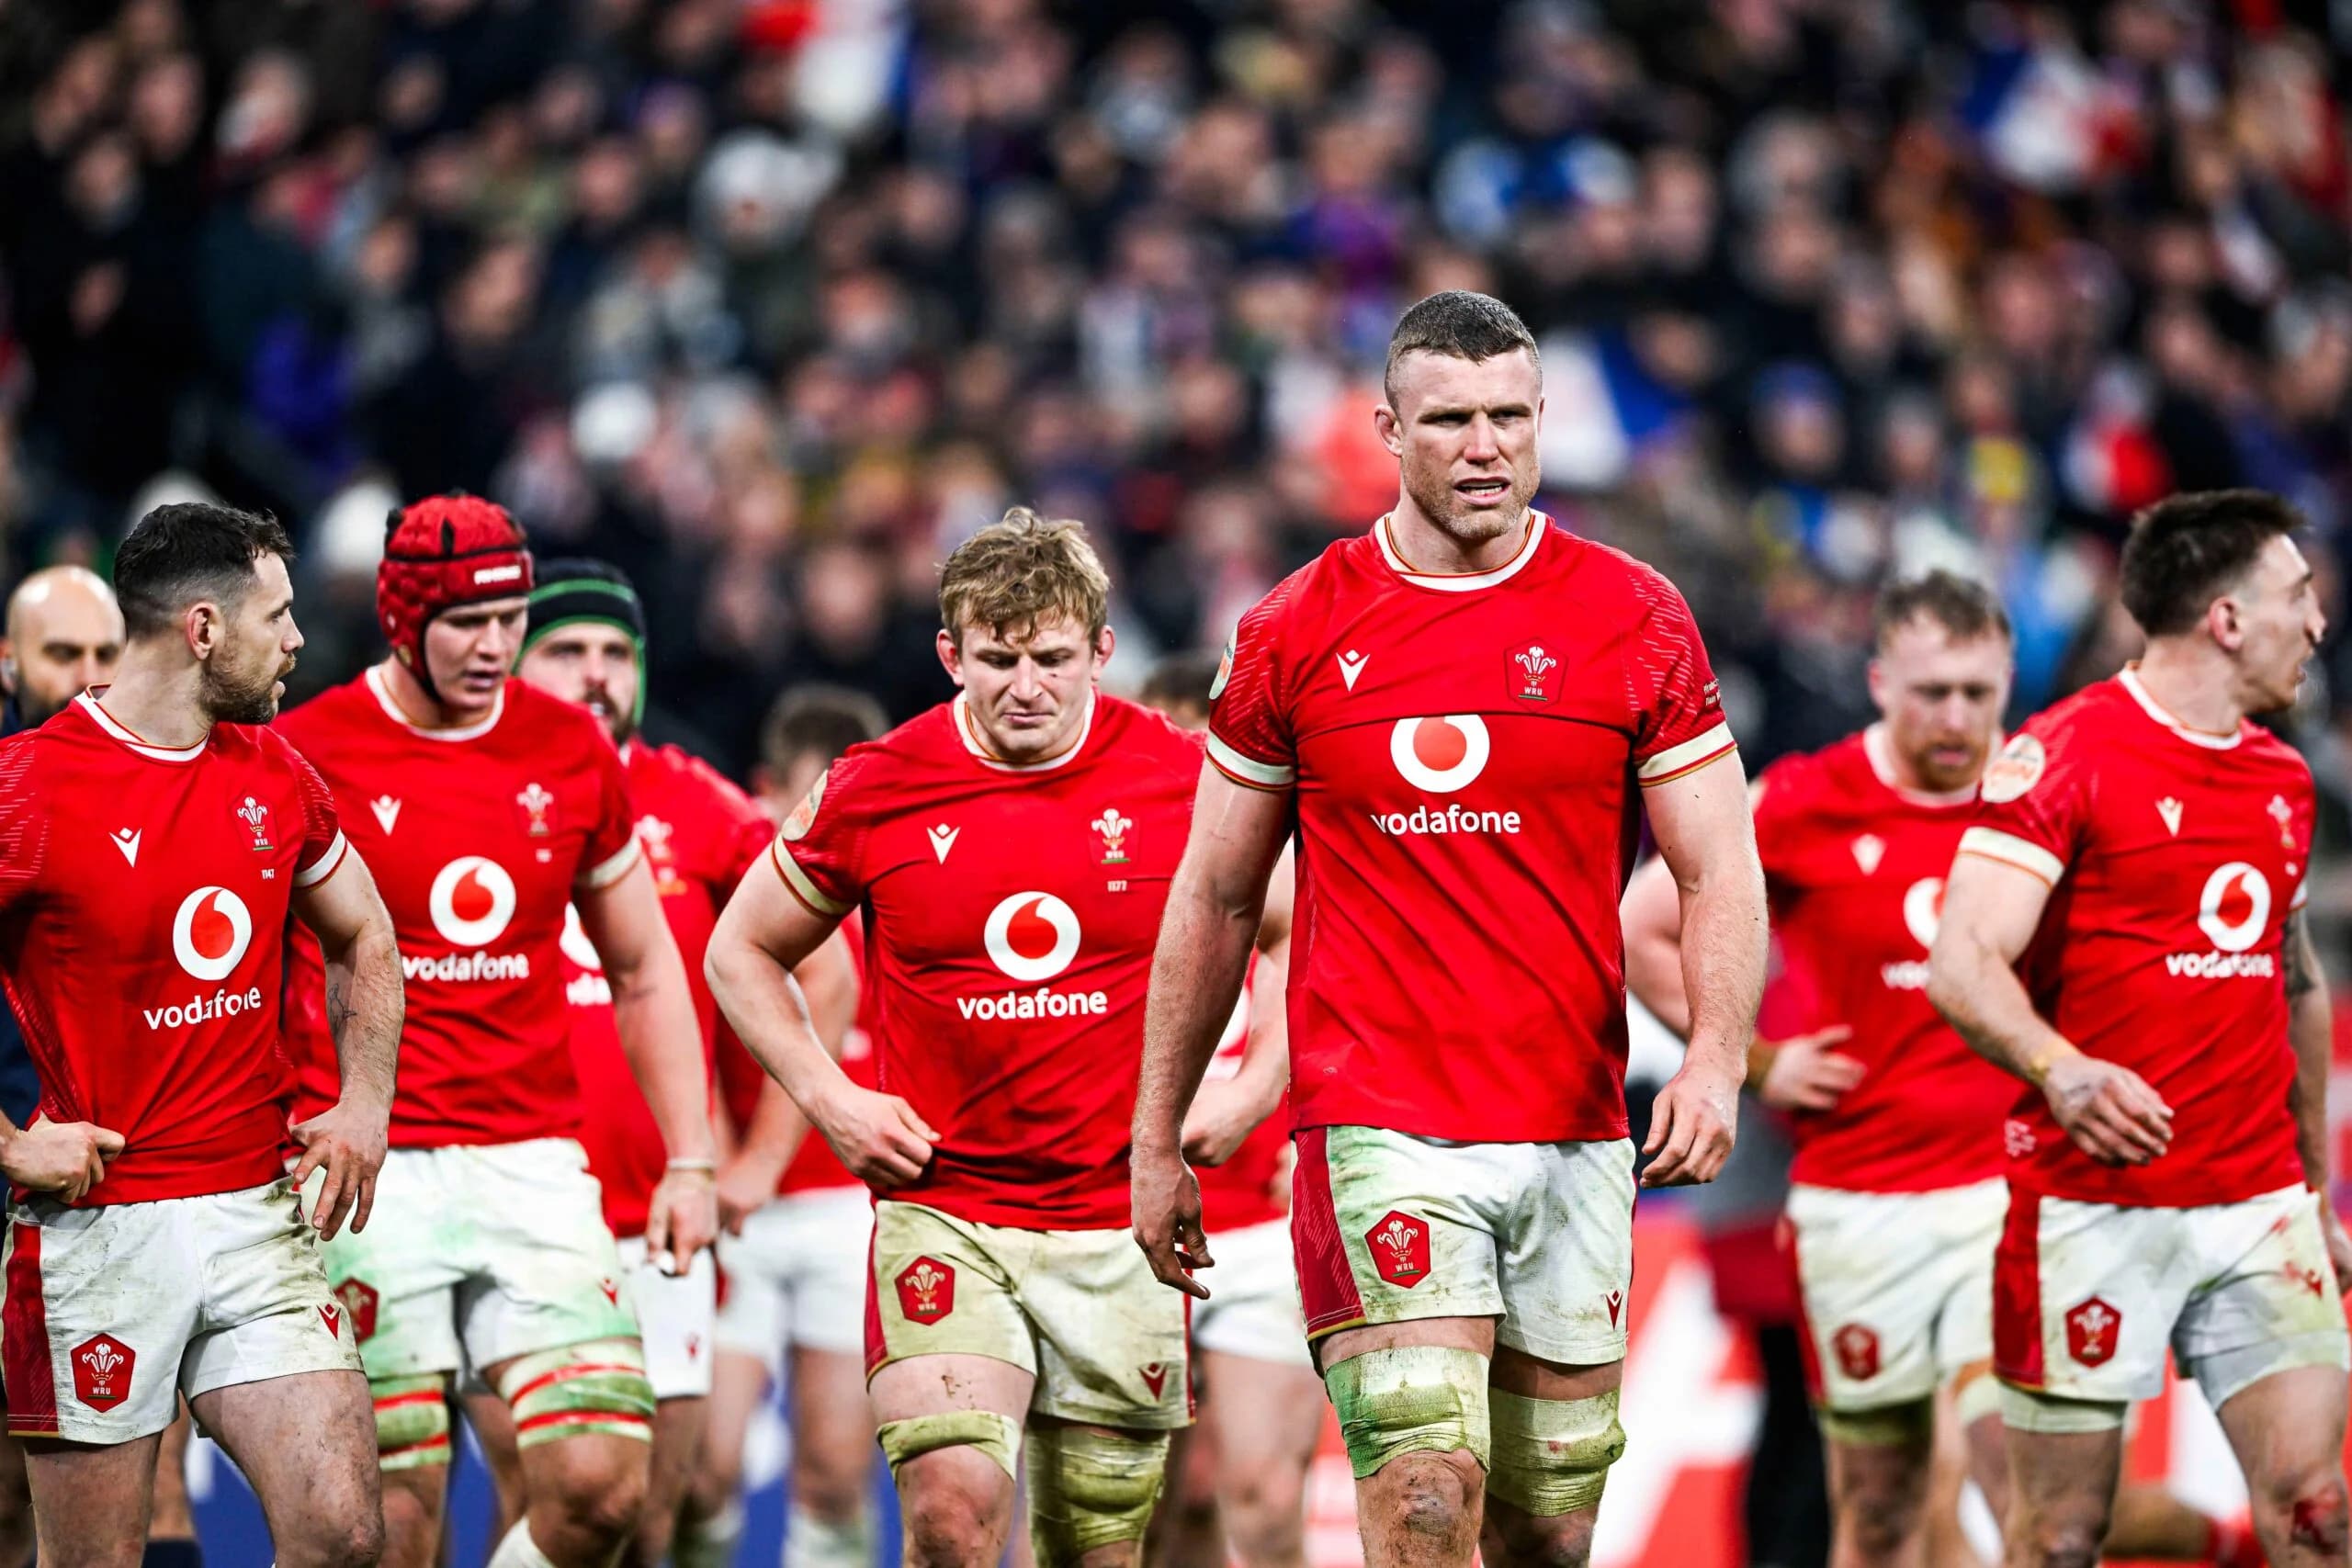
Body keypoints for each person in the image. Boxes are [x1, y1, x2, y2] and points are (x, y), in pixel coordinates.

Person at [1132, 289, 1769, 1568]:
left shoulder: (1634, 616)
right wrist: (1157, 1130)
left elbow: (1717, 863)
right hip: (1378, 1121)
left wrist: (1711, 1056)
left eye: (1510, 418)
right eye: (1451, 420)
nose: (1484, 446)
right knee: (1423, 1497)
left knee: (1551, 1525)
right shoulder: (1295, 628)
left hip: (1575, 1127)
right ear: (1388, 429)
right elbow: (1212, 895)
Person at [1623, 571, 2259, 1568]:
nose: (1956, 718)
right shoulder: (1804, 799)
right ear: (1881, 682)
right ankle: (2225, 1544)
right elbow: (1645, 924)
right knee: (1876, 1517)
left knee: (2029, 1500)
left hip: (2010, 1196)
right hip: (1857, 1206)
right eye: (1931, 693)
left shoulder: (2048, 793)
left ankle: (2229, 1542)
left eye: (1976, 692)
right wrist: (1752, 1061)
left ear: (2008, 681)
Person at [706, 509, 1204, 1568]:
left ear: (1103, 654)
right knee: (950, 1512)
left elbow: (1302, 926)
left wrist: (1236, 1100)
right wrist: (831, 1101)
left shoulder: (1181, 779)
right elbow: (737, 950)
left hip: (1116, 1220)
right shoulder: (877, 784)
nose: (1026, 685)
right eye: (998, 658)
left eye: (1054, 659)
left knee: (1097, 1549)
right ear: (950, 654)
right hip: (948, 1212)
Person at [276, 495, 719, 1568]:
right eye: (467, 623)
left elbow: (643, 965)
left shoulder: (569, 746)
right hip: (368, 1171)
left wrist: (692, 1158)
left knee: (606, 1488)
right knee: (392, 1520)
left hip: (531, 1162)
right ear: (400, 620)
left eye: (511, 618)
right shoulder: (306, 750)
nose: (495, 647)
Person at [1928, 489, 2352, 1568]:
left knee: (2318, 1512)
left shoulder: (2282, 781)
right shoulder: (2060, 755)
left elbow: (2294, 987)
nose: (2316, 623)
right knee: (2062, 1537)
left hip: (2256, 1209)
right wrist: (2060, 1070)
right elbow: (1962, 962)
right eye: (2297, 596)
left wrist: (2311, 1186)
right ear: (2225, 618)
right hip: (2089, 1209)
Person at [0, 502, 402, 1566]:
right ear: (204, 630)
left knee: (345, 1534)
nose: (300, 638)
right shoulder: (29, 789)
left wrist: (365, 1103)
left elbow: (364, 929)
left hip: (253, 1214)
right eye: (277, 615)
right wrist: (6, 1143)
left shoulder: (275, 773)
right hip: (99, 1232)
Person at [444, 559, 773, 1567]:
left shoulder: (702, 805)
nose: (594, 674)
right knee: (538, 1497)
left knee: (645, 1526)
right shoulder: (461, 794)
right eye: (566, 651)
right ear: (510, 663)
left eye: (612, 654)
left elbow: (823, 971)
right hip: (515, 1208)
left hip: (662, 1223)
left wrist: (751, 1160)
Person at [678, 685, 886, 1568]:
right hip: (739, 1212)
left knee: (838, 1475)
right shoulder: (728, 906)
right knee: (701, 1474)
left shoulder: (910, 898)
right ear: (765, 794)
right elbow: (675, 1027)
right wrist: (724, 1156)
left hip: (849, 1214)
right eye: (810, 805)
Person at [1136, 651, 1319, 1568]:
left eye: (1203, 744)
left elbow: (1345, 1001)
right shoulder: (1109, 865)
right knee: (1137, 1511)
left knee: (1261, 1496)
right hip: (1122, 1221)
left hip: (1262, 1221)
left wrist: (1291, 1121)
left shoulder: (1298, 863)